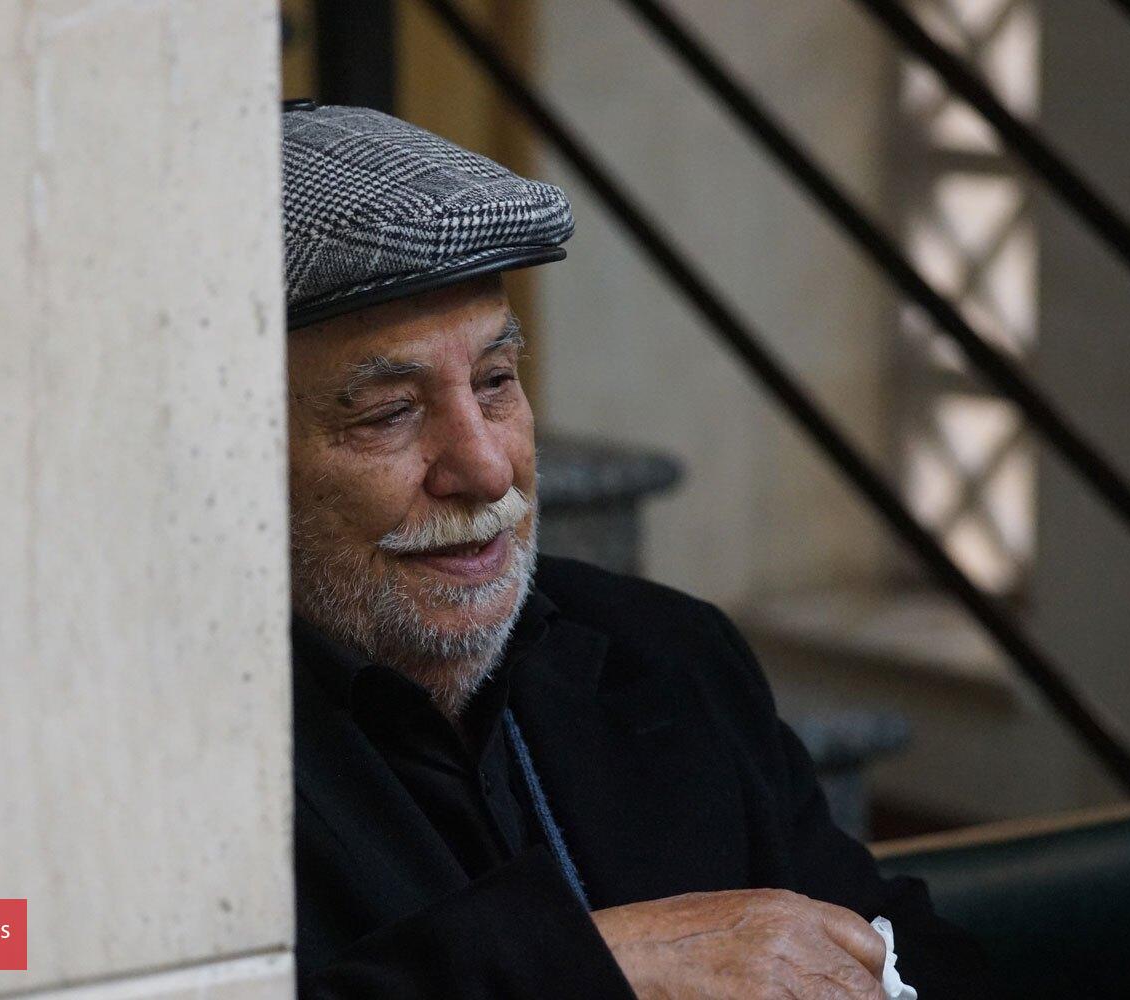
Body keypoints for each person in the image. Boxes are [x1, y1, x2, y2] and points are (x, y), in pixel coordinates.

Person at [282, 101, 993, 999]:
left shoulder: (668, 656)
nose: (487, 467)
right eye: (389, 412)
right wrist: (592, 972)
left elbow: (911, 959)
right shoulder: (144, 762)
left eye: (496, 382)